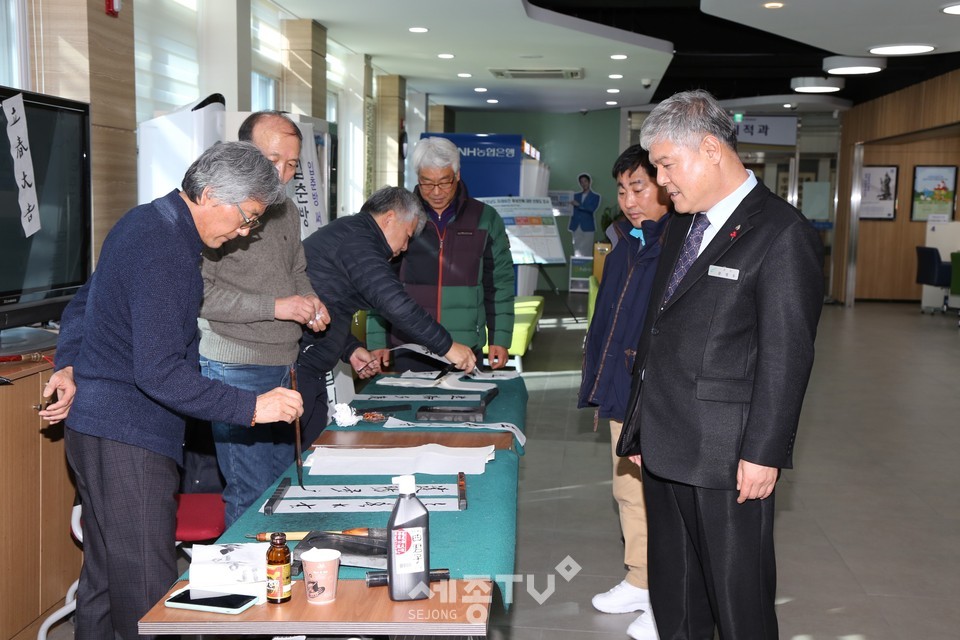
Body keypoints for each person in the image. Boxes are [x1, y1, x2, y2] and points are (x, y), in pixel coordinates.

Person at [51, 141, 305, 640]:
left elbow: (88, 298)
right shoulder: (165, 247)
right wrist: (252, 405)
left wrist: (68, 364)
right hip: (129, 435)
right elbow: (160, 373)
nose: (245, 232)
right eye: (247, 217)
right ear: (211, 194)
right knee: (147, 594)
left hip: (98, 428)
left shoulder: (144, 220)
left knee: (106, 581)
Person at [618, 89, 823, 640]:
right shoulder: (685, 223)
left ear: (710, 149)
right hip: (665, 443)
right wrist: (638, 426)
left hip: (727, 457)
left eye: (666, 164)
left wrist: (763, 453)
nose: (662, 182)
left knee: (740, 605)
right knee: (676, 597)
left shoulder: (781, 234)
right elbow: (656, 330)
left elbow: (787, 354)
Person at [198, 111, 327, 526]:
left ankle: (281, 580)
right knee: (250, 490)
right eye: (274, 161)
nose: (284, 174)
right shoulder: (216, 210)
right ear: (243, 155)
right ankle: (250, 585)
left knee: (281, 482)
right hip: (234, 365)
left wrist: (309, 303)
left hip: (282, 361)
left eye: (292, 164)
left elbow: (296, 271)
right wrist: (276, 306)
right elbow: (200, 295)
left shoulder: (286, 209)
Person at [297, 185, 477, 445]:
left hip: (311, 365)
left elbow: (331, 304)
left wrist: (348, 348)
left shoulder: (356, 235)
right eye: (406, 236)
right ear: (389, 217)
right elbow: (394, 304)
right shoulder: (358, 239)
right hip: (296, 364)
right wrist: (447, 346)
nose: (405, 247)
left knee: (308, 450)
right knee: (287, 462)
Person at [578, 145, 671, 640]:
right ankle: (641, 578)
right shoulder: (624, 246)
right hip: (622, 387)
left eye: (640, 187)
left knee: (660, 499)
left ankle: (668, 599)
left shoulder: (675, 246)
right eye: (622, 189)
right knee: (628, 491)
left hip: (654, 396)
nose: (630, 199)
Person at [366, 136, 514, 371]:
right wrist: (377, 339)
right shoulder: (399, 218)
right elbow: (378, 283)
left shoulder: (485, 218)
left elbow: (499, 283)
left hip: (465, 346)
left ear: (457, 176)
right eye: (427, 183)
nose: (436, 192)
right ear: (417, 179)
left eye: (444, 182)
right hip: (410, 343)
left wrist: (500, 338)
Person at [569, 172, 601, 256]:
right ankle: (577, 268)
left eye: (585, 181)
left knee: (587, 249)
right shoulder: (575, 196)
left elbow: (591, 209)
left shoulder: (595, 196)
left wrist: (579, 205)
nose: (583, 184)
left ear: (589, 182)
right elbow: (568, 208)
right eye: (581, 182)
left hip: (588, 226)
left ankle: (586, 268)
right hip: (576, 225)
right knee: (577, 249)